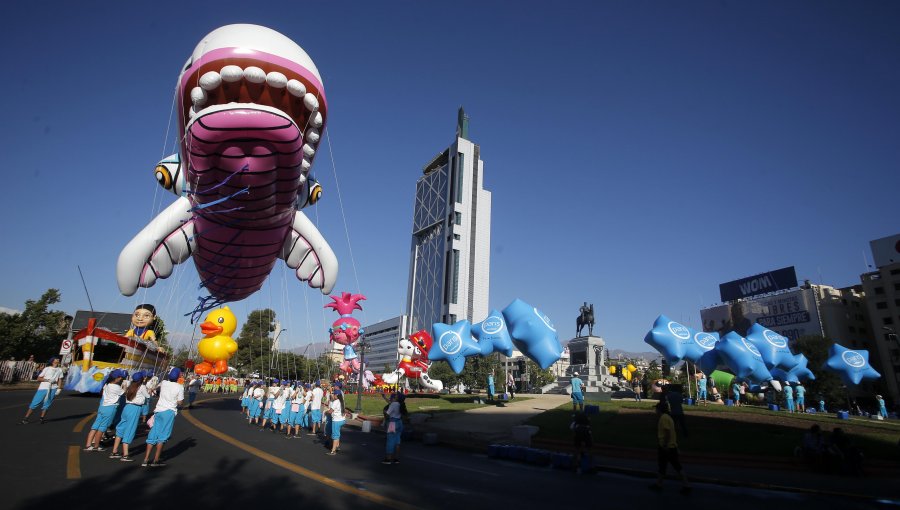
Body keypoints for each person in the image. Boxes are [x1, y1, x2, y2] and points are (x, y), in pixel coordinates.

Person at [142, 368, 185, 467]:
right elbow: (180, 402)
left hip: (158, 410)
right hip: (169, 411)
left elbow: (156, 387)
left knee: (153, 433)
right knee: (163, 436)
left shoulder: (164, 382)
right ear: (178, 377)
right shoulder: (179, 387)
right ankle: (156, 460)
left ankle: (146, 459)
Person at [650, 401, 691, 494]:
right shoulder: (668, 417)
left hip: (666, 447)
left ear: (660, 409)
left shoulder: (663, 418)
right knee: (665, 466)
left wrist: (665, 445)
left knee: (674, 466)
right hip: (671, 446)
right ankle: (659, 484)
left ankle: (686, 485)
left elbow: (667, 432)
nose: (655, 411)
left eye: (656, 409)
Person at [109, 371, 151, 462]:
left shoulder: (130, 386)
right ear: (141, 379)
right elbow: (147, 396)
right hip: (135, 408)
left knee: (121, 427)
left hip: (127, 407)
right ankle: (125, 454)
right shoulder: (142, 387)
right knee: (130, 429)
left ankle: (114, 451)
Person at [85, 370, 126, 451]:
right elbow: (124, 393)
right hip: (110, 407)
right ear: (116, 378)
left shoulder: (107, 384)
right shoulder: (116, 387)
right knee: (102, 428)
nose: (121, 379)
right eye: (120, 377)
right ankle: (96, 446)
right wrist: (124, 386)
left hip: (103, 406)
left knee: (95, 426)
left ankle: (88, 444)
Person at [21, 357, 64, 424]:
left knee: (47, 404)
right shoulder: (47, 368)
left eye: (58, 359)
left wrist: (59, 388)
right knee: (35, 403)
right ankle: (25, 419)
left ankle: (41, 419)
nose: (58, 359)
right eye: (56, 359)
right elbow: (38, 378)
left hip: (53, 388)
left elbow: (60, 379)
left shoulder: (59, 370)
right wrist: (47, 380)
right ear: (52, 361)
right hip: (43, 387)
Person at [382, 392, 407, 464]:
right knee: (397, 440)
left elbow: (387, 414)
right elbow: (391, 403)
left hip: (392, 423)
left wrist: (384, 412)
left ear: (397, 398)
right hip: (399, 422)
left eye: (396, 395)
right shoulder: (400, 404)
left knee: (390, 440)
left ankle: (388, 459)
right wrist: (384, 397)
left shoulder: (393, 404)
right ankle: (396, 458)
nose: (394, 395)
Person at [325, 389, 346, 455]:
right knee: (337, 433)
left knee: (335, 435)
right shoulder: (342, 401)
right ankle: (337, 446)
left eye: (334, 394)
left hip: (336, 420)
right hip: (342, 420)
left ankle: (333, 451)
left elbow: (330, 411)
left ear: (336, 395)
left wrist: (326, 411)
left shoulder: (336, 402)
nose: (333, 395)